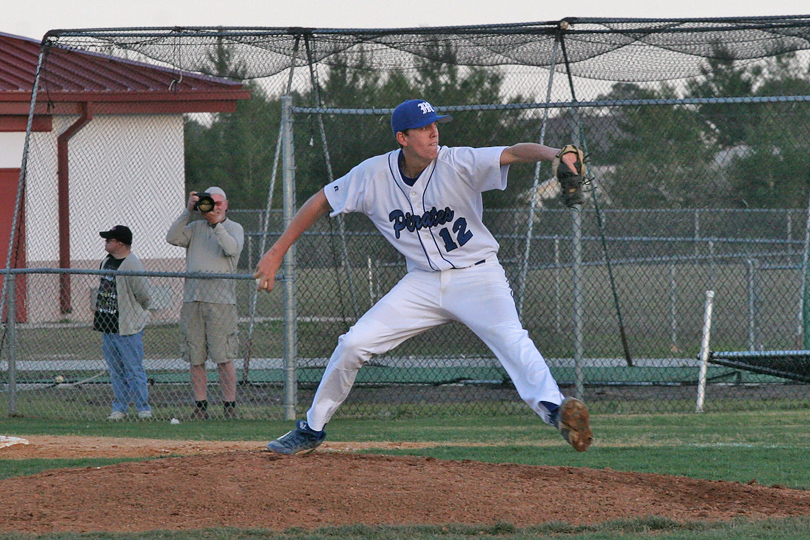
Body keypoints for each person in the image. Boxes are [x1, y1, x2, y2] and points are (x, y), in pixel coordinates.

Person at [255, 99, 593, 454]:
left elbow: (512, 152)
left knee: (512, 340)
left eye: (435, 124)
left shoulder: (457, 161)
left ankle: (558, 413)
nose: (434, 132)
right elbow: (322, 200)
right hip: (422, 283)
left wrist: (555, 154)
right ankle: (311, 430)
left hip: (478, 276)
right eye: (424, 127)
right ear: (402, 138)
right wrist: (276, 252)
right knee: (353, 344)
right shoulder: (373, 174)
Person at [167, 186, 244, 419]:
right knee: (195, 356)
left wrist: (215, 224)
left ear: (226, 205)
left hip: (221, 301)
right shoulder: (194, 227)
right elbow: (172, 238)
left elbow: (231, 249)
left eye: (219, 203)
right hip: (193, 299)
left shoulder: (233, 228)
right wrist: (187, 211)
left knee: (223, 356)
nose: (215, 207)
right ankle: (200, 406)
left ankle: (229, 406)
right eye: (211, 202)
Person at [94, 225, 152, 420]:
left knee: (133, 369)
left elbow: (143, 294)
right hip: (108, 324)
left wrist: (138, 313)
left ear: (120, 243)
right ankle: (120, 408)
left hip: (127, 326)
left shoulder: (131, 263)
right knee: (116, 370)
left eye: (109, 240)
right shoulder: (107, 261)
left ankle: (143, 409)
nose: (106, 242)